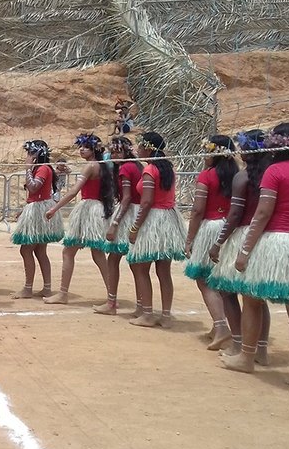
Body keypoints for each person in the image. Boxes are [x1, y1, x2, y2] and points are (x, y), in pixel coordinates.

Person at [218, 123, 289, 390]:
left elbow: (263, 214)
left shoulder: (274, 171)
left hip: (277, 243)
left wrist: (244, 252)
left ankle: (247, 356)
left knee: (252, 298)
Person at [208, 130, 271, 362]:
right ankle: (261, 350)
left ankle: (238, 344)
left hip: (243, 236)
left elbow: (234, 216)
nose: (240, 152)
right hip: (266, 239)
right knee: (256, 294)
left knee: (228, 290)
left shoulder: (243, 178)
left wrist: (218, 243)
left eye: (243, 148)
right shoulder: (269, 175)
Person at [44, 134, 114, 305]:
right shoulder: (103, 166)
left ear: (94, 149)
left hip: (88, 210)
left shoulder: (90, 166)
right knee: (98, 254)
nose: (81, 149)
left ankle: (63, 293)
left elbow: (74, 191)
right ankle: (112, 294)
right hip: (97, 209)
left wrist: (54, 208)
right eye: (81, 146)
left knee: (69, 251)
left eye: (86, 147)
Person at [125, 131, 187, 328]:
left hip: (153, 221)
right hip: (168, 220)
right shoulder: (168, 168)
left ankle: (148, 314)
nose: (138, 150)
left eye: (141, 146)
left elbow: (147, 202)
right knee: (163, 270)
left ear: (149, 148)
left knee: (141, 267)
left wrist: (135, 227)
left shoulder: (150, 170)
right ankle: (166, 316)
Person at [183, 136, 238, 349]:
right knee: (224, 278)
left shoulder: (207, 176)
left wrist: (190, 239)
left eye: (207, 150)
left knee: (204, 278)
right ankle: (225, 329)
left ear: (215, 153)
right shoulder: (238, 174)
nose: (204, 155)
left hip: (211, 227)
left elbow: (197, 210)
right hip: (231, 229)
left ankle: (221, 326)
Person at [10, 140, 63, 299]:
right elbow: (34, 193)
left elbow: (33, 187)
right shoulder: (43, 168)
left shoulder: (43, 169)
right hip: (38, 209)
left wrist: (27, 168)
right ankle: (46, 288)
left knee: (26, 249)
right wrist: (24, 209)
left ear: (37, 154)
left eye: (30, 153)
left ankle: (28, 288)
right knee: (40, 251)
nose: (28, 156)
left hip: (38, 212)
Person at [95, 136, 143, 315]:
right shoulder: (137, 166)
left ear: (126, 151)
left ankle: (111, 303)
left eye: (118, 151)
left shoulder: (125, 168)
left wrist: (115, 224)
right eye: (113, 151)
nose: (114, 154)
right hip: (136, 213)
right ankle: (140, 306)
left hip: (128, 215)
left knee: (115, 259)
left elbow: (127, 198)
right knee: (135, 263)